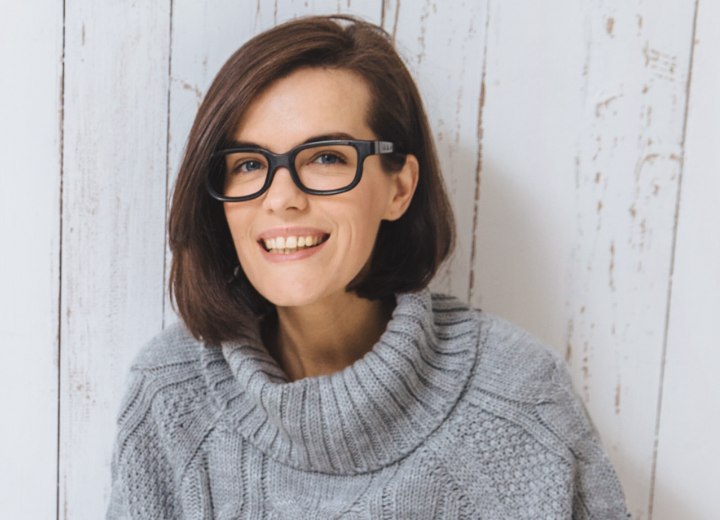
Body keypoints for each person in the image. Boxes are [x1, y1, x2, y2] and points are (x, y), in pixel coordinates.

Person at [107, 15, 630, 519]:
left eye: (327, 157)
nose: (281, 198)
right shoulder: (171, 393)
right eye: (248, 164)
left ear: (399, 187)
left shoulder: (516, 398)